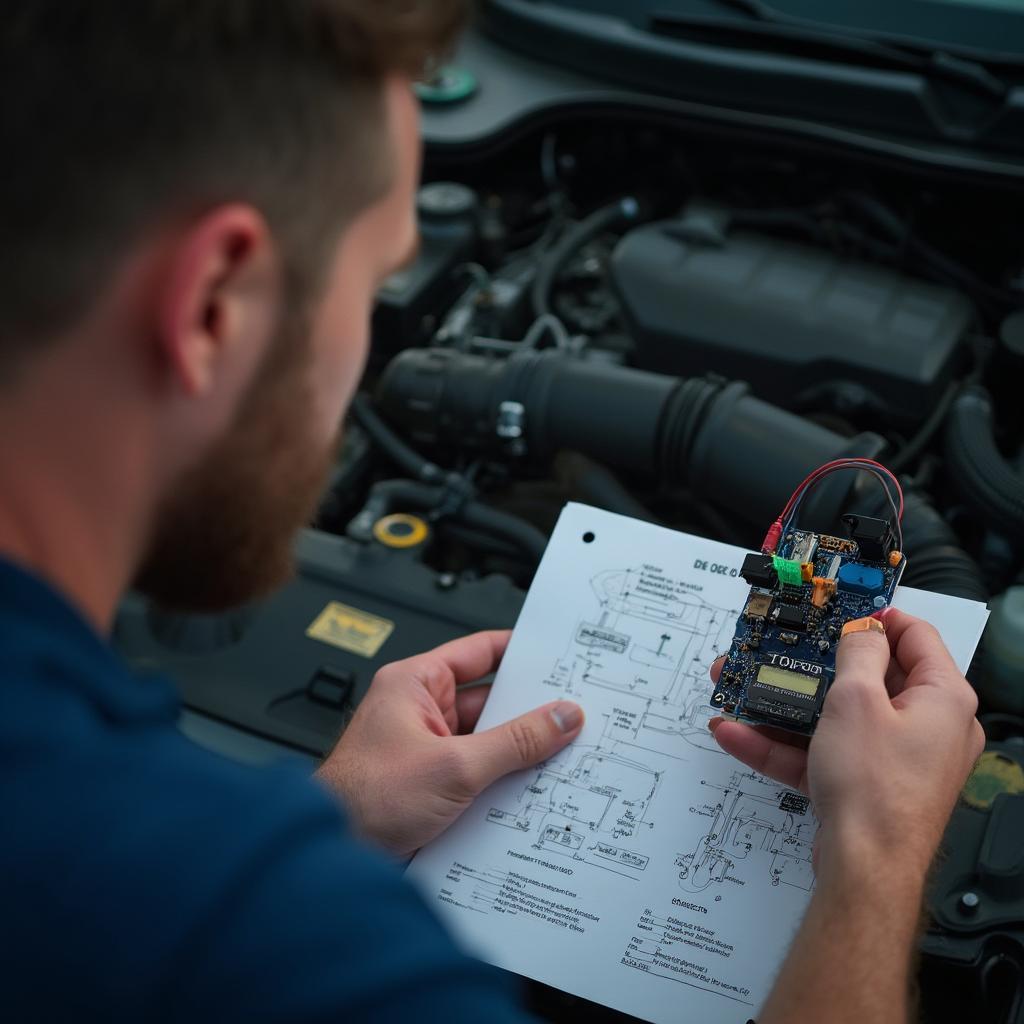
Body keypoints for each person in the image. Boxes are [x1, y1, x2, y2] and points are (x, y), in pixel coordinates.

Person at [0, 3, 983, 1023]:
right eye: (378, 288)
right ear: (212, 303)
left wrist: (333, 820)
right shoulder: (272, 945)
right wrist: (875, 856)